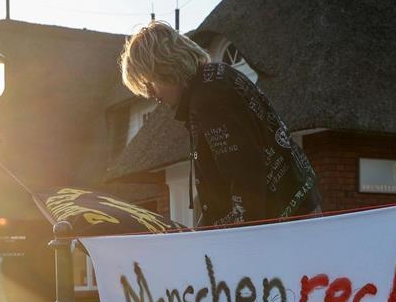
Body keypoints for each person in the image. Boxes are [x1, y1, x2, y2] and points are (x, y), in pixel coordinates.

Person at [120, 20, 321, 226]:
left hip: (283, 223)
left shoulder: (209, 97)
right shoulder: (213, 81)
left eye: (149, 83)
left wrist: (230, 239)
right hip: (292, 210)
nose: (150, 94)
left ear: (165, 67)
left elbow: (245, 175)